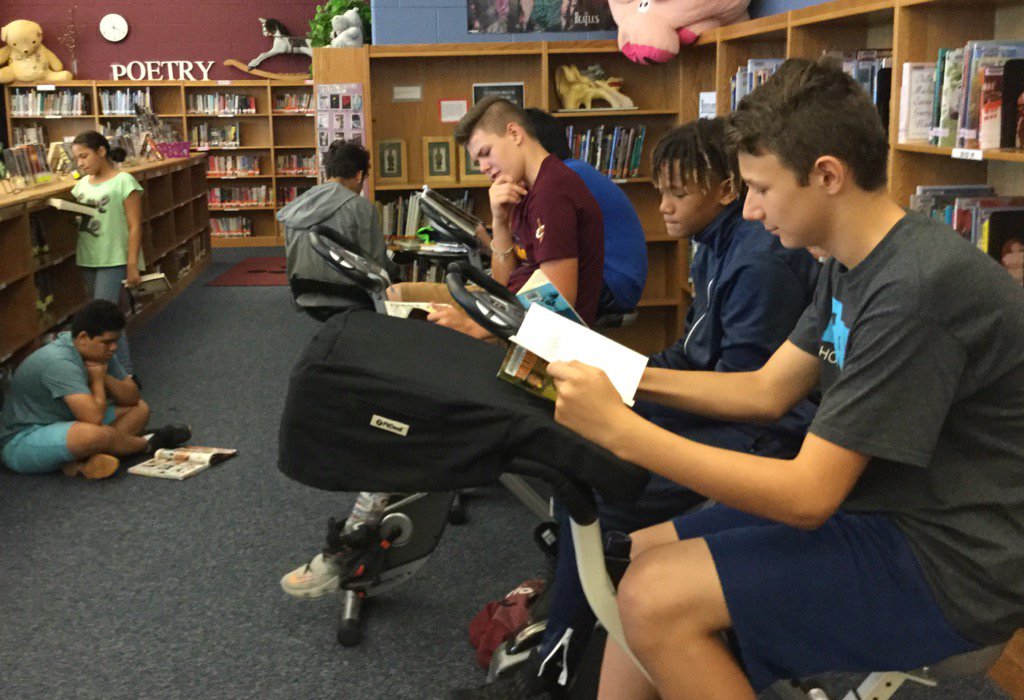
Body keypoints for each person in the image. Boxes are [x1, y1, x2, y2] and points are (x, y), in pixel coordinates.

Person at [545, 58, 1024, 698]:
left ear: (827, 175)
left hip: (953, 564)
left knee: (656, 599)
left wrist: (620, 430)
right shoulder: (851, 262)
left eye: (760, 189)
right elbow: (766, 390)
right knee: (640, 554)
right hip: (885, 513)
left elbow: (808, 495)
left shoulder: (914, 289)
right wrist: (618, 373)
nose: (746, 211)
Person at [450, 118, 820, 698]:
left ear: (725, 190)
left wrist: (629, 383)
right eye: (661, 191)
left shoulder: (760, 263)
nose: (664, 208)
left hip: (762, 434)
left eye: (678, 192)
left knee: (599, 479)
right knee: (578, 445)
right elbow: (697, 354)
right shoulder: (713, 244)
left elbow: (747, 396)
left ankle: (559, 662)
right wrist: (622, 376)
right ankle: (572, 621)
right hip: (723, 406)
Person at [392, 96, 604, 337]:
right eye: (477, 161)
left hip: (540, 337)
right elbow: (502, 283)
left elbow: (557, 304)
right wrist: (500, 221)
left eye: (486, 152)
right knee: (399, 298)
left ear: (514, 133)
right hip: (511, 314)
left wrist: (473, 326)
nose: (482, 167)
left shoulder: (552, 192)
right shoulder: (523, 189)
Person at [0, 300, 191, 480]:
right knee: (95, 434)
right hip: (22, 440)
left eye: (116, 341)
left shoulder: (97, 351)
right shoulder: (58, 362)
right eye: (108, 342)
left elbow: (132, 397)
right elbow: (93, 418)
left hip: (69, 422)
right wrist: (98, 381)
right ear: (83, 337)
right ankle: (148, 444)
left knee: (140, 410)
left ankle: (85, 461)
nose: (114, 348)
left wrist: (105, 376)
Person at [524, 108, 647, 316]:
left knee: (528, 299)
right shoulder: (571, 170)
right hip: (616, 279)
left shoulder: (562, 180)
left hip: (614, 284)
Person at [278, 140, 398, 320]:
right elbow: (376, 263)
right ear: (359, 176)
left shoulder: (295, 207)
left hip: (304, 294)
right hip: (352, 297)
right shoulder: (360, 207)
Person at [70, 130, 144, 377]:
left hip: (114, 257)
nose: (80, 163)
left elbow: (135, 225)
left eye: (84, 156)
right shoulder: (80, 185)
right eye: (77, 159)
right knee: (106, 316)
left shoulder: (124, 181)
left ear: (101, 152)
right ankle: (117, 373)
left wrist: (132, 263)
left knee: (103, 318)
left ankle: (125, 375)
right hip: (88, 255)